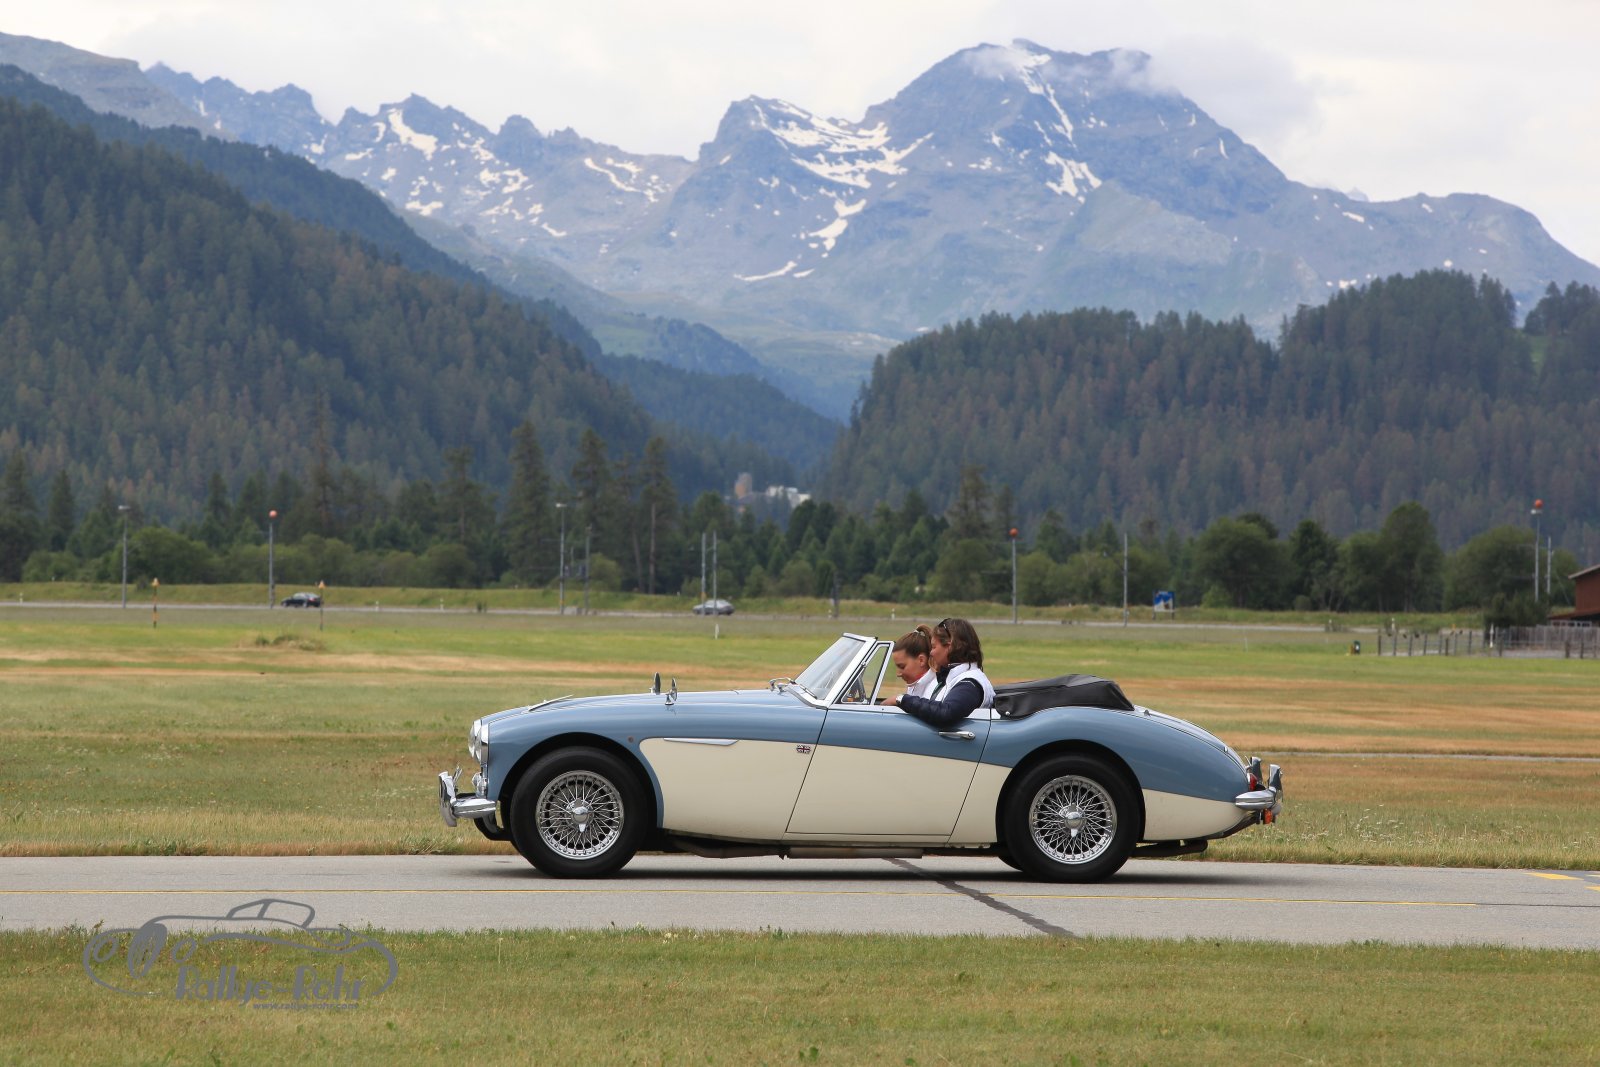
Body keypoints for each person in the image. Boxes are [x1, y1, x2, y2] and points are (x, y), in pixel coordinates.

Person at [883, 618, 994, 727]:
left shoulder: (970, 683)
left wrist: (901, 699)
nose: (931, 653)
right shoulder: (952, 678)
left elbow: (946, 713)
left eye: (933, 647)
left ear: (949, 646)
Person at [889, 625, 938, 700]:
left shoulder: (936, 690)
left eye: (902, 666)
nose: (898, 674)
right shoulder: (914, 686)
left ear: (921, 660)